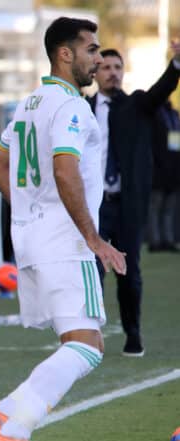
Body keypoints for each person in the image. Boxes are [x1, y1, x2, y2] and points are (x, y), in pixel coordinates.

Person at [0, 17, 126, 441]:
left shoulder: (29, 103)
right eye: (91, 49)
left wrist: (28, 209)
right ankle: (15, 429)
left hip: (32, 242)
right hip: (66, 243)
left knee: (81, 341)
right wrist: (93, 239)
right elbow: (65, 169)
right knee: (87, 346)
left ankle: (5, 411)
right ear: (65, 54)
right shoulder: (71, 106)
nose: (97, 58)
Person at [87, 42, 180, 356]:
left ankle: (133, 333)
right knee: (91, 270)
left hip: (128, 204)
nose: (113, 73)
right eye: (106, 67)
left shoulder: (137, 105)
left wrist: (176, 64)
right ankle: (90, 333)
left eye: (117, 67)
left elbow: (161, 90)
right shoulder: (81, 109)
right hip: (94, 205)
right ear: (95, 72)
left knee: (129, 272)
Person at [149, 100, 180, 252]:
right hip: (158, 171)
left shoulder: (174, 115)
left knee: (169, 208)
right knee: (156, 207)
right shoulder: (156, 115)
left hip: (173, 171)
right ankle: (155, 241)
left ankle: (168, 239)